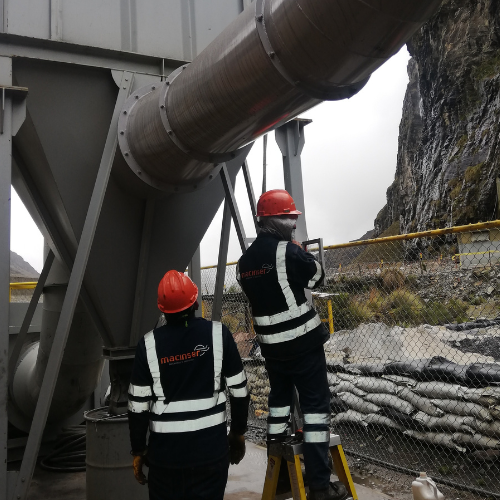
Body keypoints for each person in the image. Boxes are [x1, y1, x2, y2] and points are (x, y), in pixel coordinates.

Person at [237, 189, 348, 500]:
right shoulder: (288, 251)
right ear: (273, 220)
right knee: (315, 411)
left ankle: (282, 477)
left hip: (273, 351)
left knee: (279, 405)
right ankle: (319, 486)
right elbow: (317, 277)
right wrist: (302, 251)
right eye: (289, 217)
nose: (294, 223)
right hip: (303, 346)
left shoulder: (244, 263)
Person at [128, 270, 250, 500]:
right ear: (194, 302)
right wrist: (237, 433)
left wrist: (138, 450)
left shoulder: (148, 344)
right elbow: (239, 392)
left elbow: (138, 406)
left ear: (162, 308)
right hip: (210, 455)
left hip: (165, 459)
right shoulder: (218, 335)